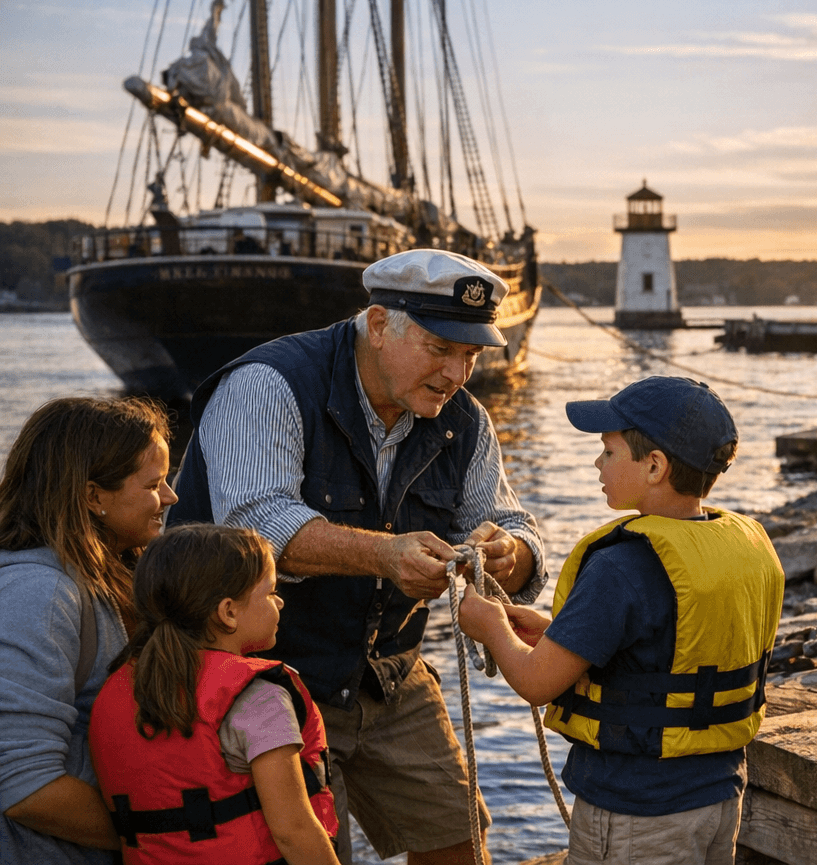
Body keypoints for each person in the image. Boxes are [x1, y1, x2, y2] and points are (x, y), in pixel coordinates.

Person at [168, 248, 546, 865]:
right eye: (440, 348)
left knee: (458, 841)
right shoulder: (268, 385)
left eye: (471, 355)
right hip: (265, 680)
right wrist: (385, 555)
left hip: (387, 672)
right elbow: (254, 528)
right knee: (312, 851)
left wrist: (509, 554)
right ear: (377, 323)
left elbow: (511, 523)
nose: (457, 373)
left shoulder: (464, 420)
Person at [457, 376, 784, 865]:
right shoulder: (743, 545)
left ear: (654, 466)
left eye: (608, 452)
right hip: (717, 796)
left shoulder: (620, 566)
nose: (597, 463)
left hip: (635, 813)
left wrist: (489, 627)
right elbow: (664, 656)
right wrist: (554, 633)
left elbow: (535, 682)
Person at [89, 525, 339, 865]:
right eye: (270, 592)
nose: (279, 601)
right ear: (228, 612)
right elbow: (293, 830)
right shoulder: (258, 699)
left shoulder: (121, 690)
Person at [0, 396, 176, 864]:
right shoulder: (39, 593)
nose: (171, 497)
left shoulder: (118, 570)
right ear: (93, 496)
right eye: (155, 484)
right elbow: (24, 785)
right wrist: (166, 840)